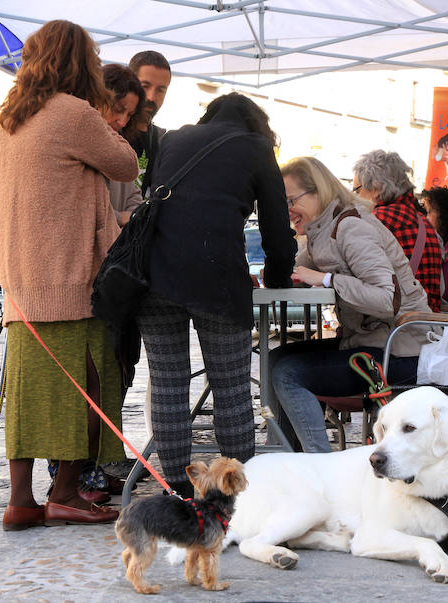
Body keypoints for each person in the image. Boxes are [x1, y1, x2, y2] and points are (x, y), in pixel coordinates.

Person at [0, 20, 138, 529]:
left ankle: (21, 500)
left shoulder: (2, 125)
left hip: (20, 282)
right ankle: (65, 495)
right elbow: (126, 163)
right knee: (88, 385)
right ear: (80, 63)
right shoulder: (74, 113)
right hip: (72, 277)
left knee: (26, 393)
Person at [136, 92, 297, 498]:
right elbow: (279, 231)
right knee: (231, 389)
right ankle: (239, 494)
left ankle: (176, 491)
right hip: (218, 278)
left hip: (155, 275)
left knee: (169, 384)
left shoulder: (171, 140)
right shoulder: (257, 148)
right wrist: (278, 278)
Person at [270, 157, 432, 453]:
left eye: (291, 200)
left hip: (399, 352)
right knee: (276, 358)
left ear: (317, 191)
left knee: (288, 372)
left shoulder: (351, 227)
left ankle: (321, 466)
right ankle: (291, 458)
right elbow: (297, 272)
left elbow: (386, 299)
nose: (287, 209)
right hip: (372, 343)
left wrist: (327, 279)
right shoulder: (323, 230)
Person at [353, 150, 443, 312]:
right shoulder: (422, 221)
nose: (354, 197)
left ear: (376, 188)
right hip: (427, 324)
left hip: (399, 327)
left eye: (357, 190)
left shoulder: (377, 220)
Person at [101, 64, 146, 226]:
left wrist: (131, 217)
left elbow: (134, 196)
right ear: (98, 99)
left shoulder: (120, 146)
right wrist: (122, 218)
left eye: (129, 115)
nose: (123, 121)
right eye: (118, 109)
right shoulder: (76, 146)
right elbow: (82, 211)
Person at [125, 50, 171, 197]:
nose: (151, 97)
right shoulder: (108, 130)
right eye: (145, 86)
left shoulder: (161, 141)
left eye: (160, 90)